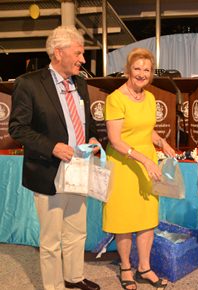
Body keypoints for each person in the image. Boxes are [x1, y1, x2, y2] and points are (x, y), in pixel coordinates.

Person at [8, 26, 100, 290]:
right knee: (51, 240)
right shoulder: (29, 83)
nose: (82, 59)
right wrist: (52, 147)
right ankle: (54, 286)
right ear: (58, 53)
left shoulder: (80, 82)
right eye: (78, 53)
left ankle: (74, 277)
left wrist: (93, 138)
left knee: (77, 229)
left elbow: (87, 122)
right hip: (49, 169)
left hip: (80, 167)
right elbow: (18, 128)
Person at [102, 47, 176, 290]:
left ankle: (144, 267)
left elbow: (145, 130)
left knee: (146, 219)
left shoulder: (151, 97)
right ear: (128, 70)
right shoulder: (115, 98)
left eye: (147, 69)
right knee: (124, 220)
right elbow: (116, 140)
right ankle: (125, 267)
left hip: (147, 165)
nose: (142, 74)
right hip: (124, 166)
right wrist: (144, 160)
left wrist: (162, 142)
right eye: (137, 69)